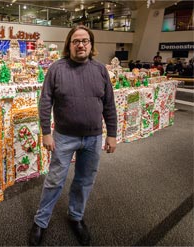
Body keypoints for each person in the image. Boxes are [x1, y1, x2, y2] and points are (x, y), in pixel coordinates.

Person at [29, 25, 117, 246]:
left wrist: (112, 134)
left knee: (84, 180)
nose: (81, 44)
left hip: (93, 137)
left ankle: (76, 217)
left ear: (91, 44)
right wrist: (46, 133)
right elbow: (45, 102)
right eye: (76, 41)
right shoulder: (57, 69)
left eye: (85, 41)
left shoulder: (100, 70)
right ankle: (41, 222)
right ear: (68, 45)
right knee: (55, 180)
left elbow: (109, 104)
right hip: (64, 137)